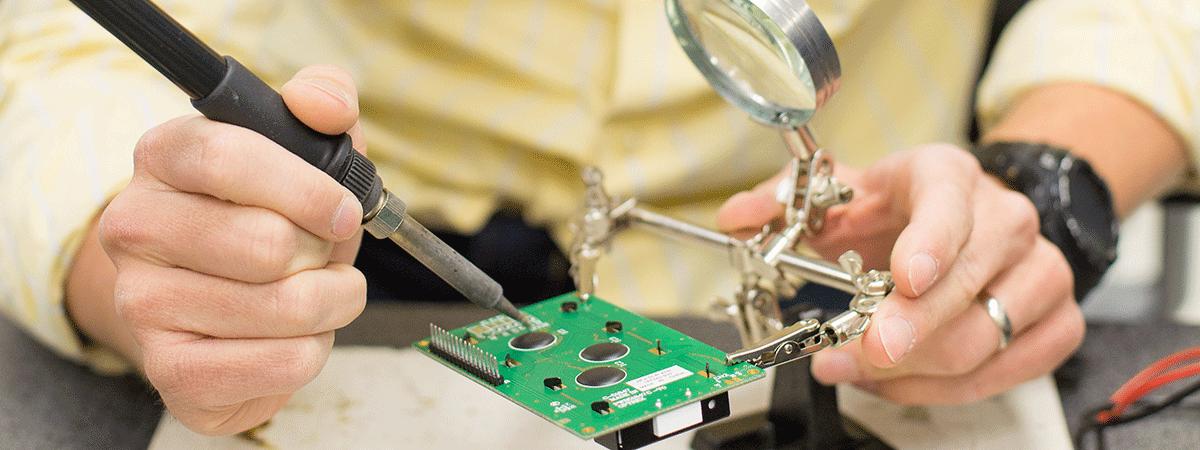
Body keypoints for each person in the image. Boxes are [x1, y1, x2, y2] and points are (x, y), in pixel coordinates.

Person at [0, 0, 1194, 437]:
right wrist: (160, 255)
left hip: (887, 250)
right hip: (341, 253)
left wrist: (1050, 177)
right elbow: (44, 44)